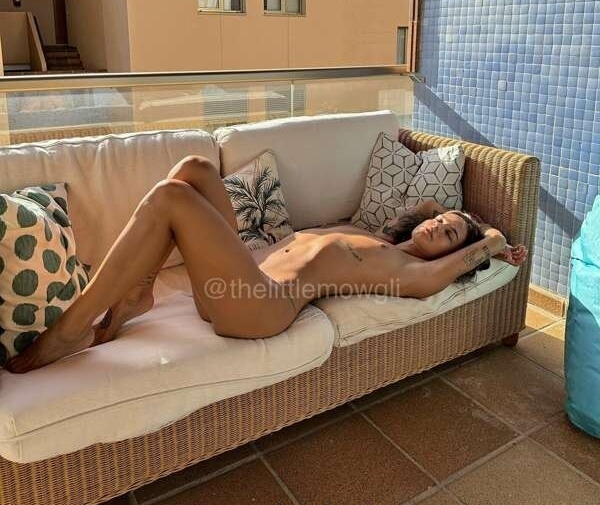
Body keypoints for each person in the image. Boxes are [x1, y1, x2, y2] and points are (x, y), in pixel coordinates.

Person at [5, 156, 527, 373]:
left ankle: (70, 329)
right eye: (440, 221)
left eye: (448, 234)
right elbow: (430, 208)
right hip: (242, 275)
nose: (437, 227)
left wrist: (491, 240)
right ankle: (138, 292)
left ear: (451, 253)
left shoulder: (410, 274)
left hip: (257, 305)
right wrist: (450, 214)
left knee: (172, 197)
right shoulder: (373, 236)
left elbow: (456, 265)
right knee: (195, 169)